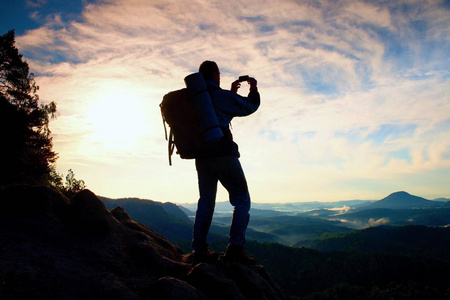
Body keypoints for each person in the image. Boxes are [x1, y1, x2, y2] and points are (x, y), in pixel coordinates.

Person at [191, 60, 260, 265]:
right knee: (241, 199)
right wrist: (254, 88)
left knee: (206, 201)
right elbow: (249, 106)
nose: (219, 76)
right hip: (223, 153)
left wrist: (230, 92)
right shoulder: (221, 96)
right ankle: (235, 249)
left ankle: (199, 250)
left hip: (202, 156)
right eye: (218, 73)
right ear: (214, 74)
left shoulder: (194, 99)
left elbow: (217, 112)